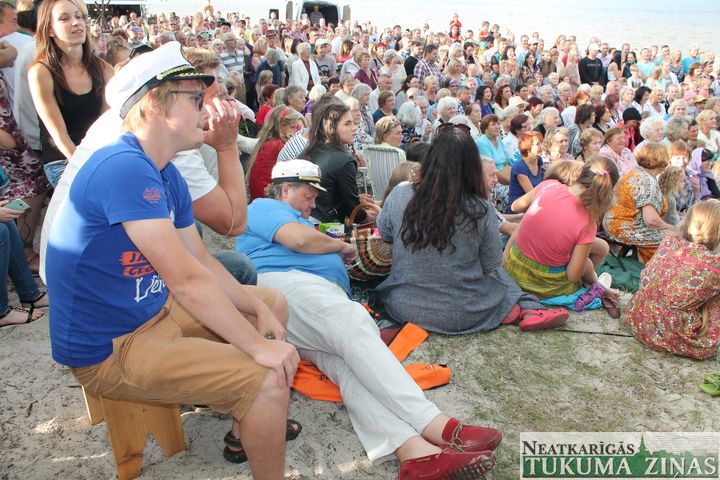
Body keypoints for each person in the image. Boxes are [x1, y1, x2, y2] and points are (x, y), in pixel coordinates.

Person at [45, 42, 299, 477]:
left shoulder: (164, 171)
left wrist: (257, 311)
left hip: (149, 314)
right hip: (111, 346)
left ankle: (245, 427)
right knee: (266, 378)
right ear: (154, 105)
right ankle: (256, 410)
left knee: (271, 304)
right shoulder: (124, 166)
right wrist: (258, 347)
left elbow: (201, 261)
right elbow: (187, 280)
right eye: (196, 99)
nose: (208, 109)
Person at [236, 159, 499, 479]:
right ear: (284, 189)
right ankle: (437, 425)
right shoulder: (264, 206)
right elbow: (298, 240)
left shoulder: (297, 219)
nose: (313, 204)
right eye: (308, 195)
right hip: (284, 289)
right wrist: (341, 247)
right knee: (353, 322)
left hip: (303, 305)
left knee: (350, 372)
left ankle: (415, 454)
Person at [40, 45, 259, 289]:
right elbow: (232, 223)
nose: (222, 106)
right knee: (240, 270)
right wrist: (227, 146)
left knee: (192, 232)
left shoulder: (137, 119)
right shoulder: (164, 138)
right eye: (202, 98)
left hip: (72, 267)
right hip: (94, 285)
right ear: (162, 100)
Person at [375, 127, 568, 334]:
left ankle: (523, 308)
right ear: (472, 166)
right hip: (464, 311)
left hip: (405, 306)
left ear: (430, 160)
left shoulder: (399, 193)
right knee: (500, 276)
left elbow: (385, 233)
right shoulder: (480, 207)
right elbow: (491, 264)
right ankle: (528, 307)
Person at [504, 156, 620, 299]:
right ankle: (591, 283)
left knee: (602, 247)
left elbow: (515, 206)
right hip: (544, 285)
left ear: (581, 171)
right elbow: (572, 276)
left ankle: (592, 281)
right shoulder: (588, 223)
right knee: (587, 263)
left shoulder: (549, 185)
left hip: (514, 266)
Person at [28, 0, 114, 188]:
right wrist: (90, 168)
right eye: (64, 18)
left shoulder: (104, 69)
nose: (76, 22)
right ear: (49, 30)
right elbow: (59, 136)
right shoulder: (41, 72)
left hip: (99, 155)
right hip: (63, 160)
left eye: (79, 16)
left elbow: (107, 125)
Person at [625, 200, 720, 360]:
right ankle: (707, 334)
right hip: (668, 332)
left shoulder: (669, 241)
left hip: (637, 317)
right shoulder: (714, 264)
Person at [302, 101, 376, 224]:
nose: (354, 127)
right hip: (325, 226)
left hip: (301, 219)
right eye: (347, 124)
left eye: (353, 123)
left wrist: (356, 199)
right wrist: (373, 218)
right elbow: (354, 212)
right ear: (329, 127)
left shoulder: (308, 151)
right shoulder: (344, 161)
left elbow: (328, 193)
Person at [603, 144, 675, 263]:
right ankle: (656, 271)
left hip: (613, 224)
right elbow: (651, 220)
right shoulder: (648, 182)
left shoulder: (634, 172)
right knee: (674, 241)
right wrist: (670, 227)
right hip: (625, 228)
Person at [247, 106, 304, 201]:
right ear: (280, 126)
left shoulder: (268, 141)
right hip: (268, 196)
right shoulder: (278, 145)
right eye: (292, 127)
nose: (295, 132)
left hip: (259, 194)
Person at [507, 132, 543, 209]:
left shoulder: (539, 161)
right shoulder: (519, 166)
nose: (541, 146)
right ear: (527, 148)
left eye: (541, 143)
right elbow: (531, 195)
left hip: (535, 203)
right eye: (537, 144)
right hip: (518, 208)